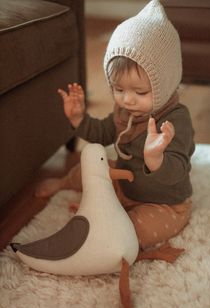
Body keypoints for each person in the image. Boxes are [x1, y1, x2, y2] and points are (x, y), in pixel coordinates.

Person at [36, 0, 195, 250]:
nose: (127, 99)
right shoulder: (124, 110)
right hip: (124, 186)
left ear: (164, 84)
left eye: (140, 92)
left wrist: (156, 159)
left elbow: (178, 168)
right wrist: (79, 119)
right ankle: (64, 183)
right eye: (118, 89)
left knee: (134, 229)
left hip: (164, 203)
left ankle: (109, 223)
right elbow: (102, 133)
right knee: (90, 168)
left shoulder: (177, 119)